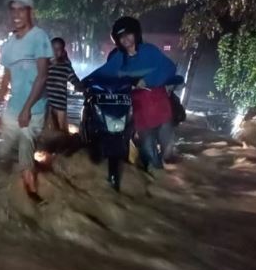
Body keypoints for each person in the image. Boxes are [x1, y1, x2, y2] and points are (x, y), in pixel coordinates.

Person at [86, 17, 178, 170]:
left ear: (136, 34)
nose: (125, 39)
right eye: (121, 36)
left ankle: (171, 184)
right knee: (149, 152)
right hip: (140, 111)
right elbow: (103, 72)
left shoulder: (150, 51)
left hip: (160, 109)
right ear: (117, 40)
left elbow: (169, 68)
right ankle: (157, 184)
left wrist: (147, 81)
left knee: (168, 154)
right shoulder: (118, 58)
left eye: (128, 34)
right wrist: (84, 82)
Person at [0, 0, 53, 198]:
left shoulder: (39, 37)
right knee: (1, 154)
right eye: (13, 10)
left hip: (33, 110)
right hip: (12, 109)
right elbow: (6, 75)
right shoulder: (9, 44)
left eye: (22, 9)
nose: (17, 14)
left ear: (30, 12)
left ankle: (33, 199)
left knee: (25, 156)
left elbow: (42, 76)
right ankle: (4, 194)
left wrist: (27, 109)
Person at [46, 37, 83, 133]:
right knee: (48, 129)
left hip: (60, 104)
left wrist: (80, 86)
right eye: (53, 49)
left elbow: (73, 78)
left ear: (62, 51)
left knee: (61, 130)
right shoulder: (44, 64)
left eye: (58, 49)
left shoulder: (65, 65)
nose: (55, 52)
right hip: (47, 103)